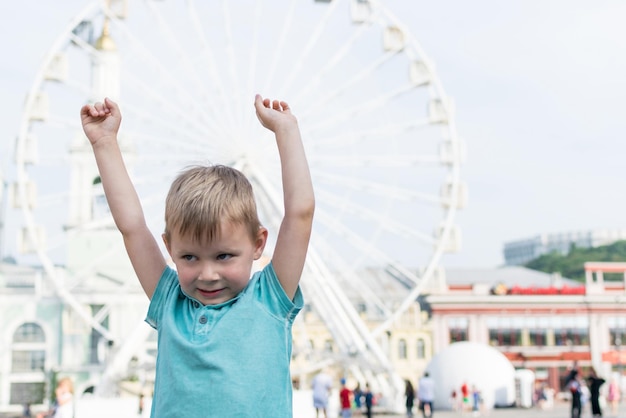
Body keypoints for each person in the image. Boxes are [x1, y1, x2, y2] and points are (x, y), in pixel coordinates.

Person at [80, 95, 314, 418]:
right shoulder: (170, 301)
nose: (207, 273)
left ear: (259, 244)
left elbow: (300, 214)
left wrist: (286, 131)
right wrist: (104, 142)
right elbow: (132, 226)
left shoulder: (270, 300)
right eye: (189, 258)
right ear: (169, 248)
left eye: (223, 256)